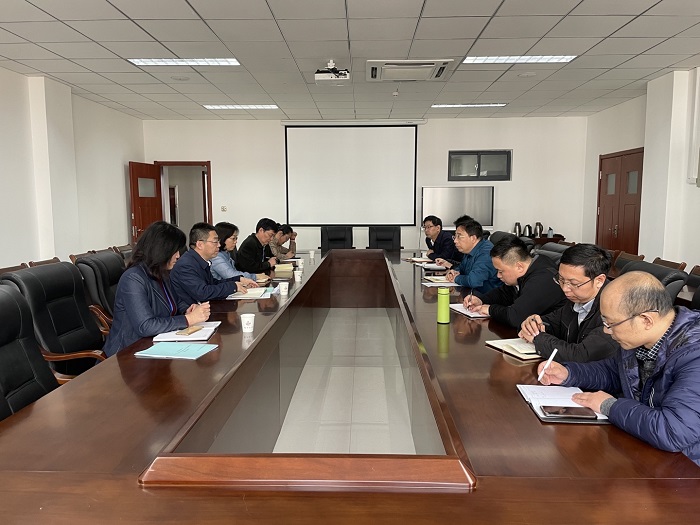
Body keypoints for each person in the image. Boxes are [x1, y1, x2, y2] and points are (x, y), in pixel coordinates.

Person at [538, 271, 700, 466]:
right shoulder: (640, 339)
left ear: (646, 320)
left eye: (611, 323)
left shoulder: (694, 355)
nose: (606, 331)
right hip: (648, 450)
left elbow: (674, 432)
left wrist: (609, 406)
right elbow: (615, 372)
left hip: (687, 467)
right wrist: (569, 373)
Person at [103, 221, 210, 357]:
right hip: (128, 353)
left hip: (157, 344)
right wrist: (187, 319)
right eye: (175, 251)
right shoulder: (133, 278)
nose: (178, 256)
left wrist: (188, 309)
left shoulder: (161, 272)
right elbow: (145, 326)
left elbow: (175, 302)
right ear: (161, 250)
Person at [519, 243, 617, 363]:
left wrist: (538, 338)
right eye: (561, 280)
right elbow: (553, 322)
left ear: (599, 280)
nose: (565, 289)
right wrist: (533, 324)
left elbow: (580, 355)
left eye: (573, 283)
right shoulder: (576, 298)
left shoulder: (614, 310)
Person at [464, 235, 566, 328]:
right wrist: (481, 300)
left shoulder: (542, 281)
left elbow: (516, 317)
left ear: (519, 267)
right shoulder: (529, 267)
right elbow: (504, 292)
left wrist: (490, 309)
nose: (498, 275)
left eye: (501, 271)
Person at [170, 222, 249, 304]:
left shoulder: (199, 260)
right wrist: (233, 286)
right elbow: (203, 293)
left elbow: (212, 284)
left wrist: (238, 280)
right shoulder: (186, 265)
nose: (219, 245)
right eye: (215, 242)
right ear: (200, 244)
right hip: (189, 310)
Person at [435, 216, 500, 294]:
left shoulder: (487, 253)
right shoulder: (470, 249)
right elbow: (462, 268)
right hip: (472, 293)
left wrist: (456, 278)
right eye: (455, 237)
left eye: (459, 236)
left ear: (473, 238)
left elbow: (474, 281)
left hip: (486, 296)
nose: (455, 241)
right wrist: (454, 272)